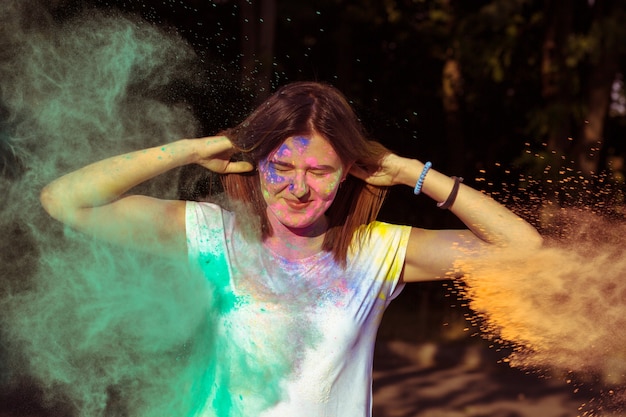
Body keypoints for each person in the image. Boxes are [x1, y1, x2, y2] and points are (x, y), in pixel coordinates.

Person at [40, 81, 542, 417]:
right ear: (256, 164)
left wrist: (412, 172)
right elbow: (64, 201)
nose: (298, 188)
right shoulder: (213, 236)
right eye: (281, 166)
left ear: (347, 171)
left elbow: (524, 250)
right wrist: (195, 149)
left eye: (320, 171)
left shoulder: (378, 251)